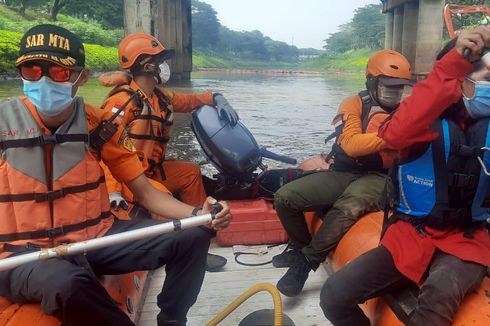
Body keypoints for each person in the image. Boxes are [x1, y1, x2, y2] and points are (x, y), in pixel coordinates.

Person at [0, 24, 232, 326]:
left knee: (193, 235)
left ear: (80, 77)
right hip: (22, 254)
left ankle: (173, 321)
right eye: (32, 71)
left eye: (57, 73)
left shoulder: (99, 124)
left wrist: (198, 214)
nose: (43, 80)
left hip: (94, 238)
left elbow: (147, 193)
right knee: (65, 282)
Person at [320, 27, 490, 326]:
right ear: (459, 80)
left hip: (468, 240)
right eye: (487, 78)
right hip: (413, 235)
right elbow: (395, 132)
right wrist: (455, 61)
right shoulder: (421, 119)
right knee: (334, 294)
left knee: (438, 295)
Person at [272, 49, 413, 297]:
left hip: (380, 176)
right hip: (344, 171)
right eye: (388, 85)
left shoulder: (410, 110)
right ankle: (303, 246)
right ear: (371, 81)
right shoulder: (354, 103)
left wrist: (385, 139)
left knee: (349, 207)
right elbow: (351, 144)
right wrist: (392, 136)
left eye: (399, 87)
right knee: (285, 197)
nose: (394, 92)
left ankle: (305, 264)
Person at [97, 32, 239, 272]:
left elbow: (188, 101)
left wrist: (216, 98)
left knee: (190, 172)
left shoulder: (159, 97)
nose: (165, 65)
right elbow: (104, 153)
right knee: (162, 196)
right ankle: (186, 247)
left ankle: (203, 228)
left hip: (150, 170)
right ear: (148, 65)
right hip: (130, 180)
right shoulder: (121, 103)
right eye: (161, 59)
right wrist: (112, 191)